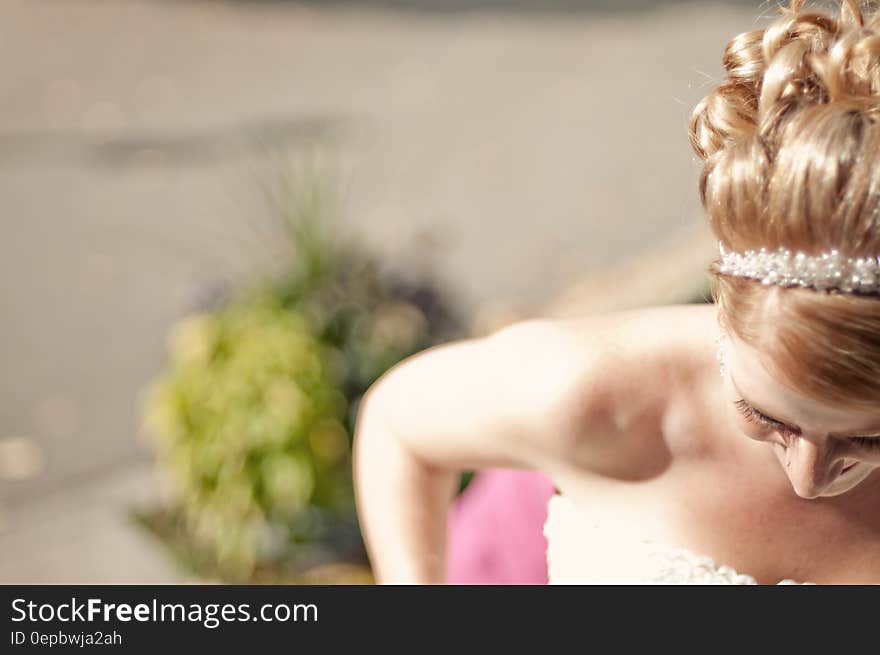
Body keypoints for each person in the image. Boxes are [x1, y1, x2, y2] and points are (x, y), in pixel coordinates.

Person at [352, 0, 880, 584]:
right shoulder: (588, 390)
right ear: (723, 317)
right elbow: (398, 426)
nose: (808, 476)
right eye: (762, 413)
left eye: (867, 436)